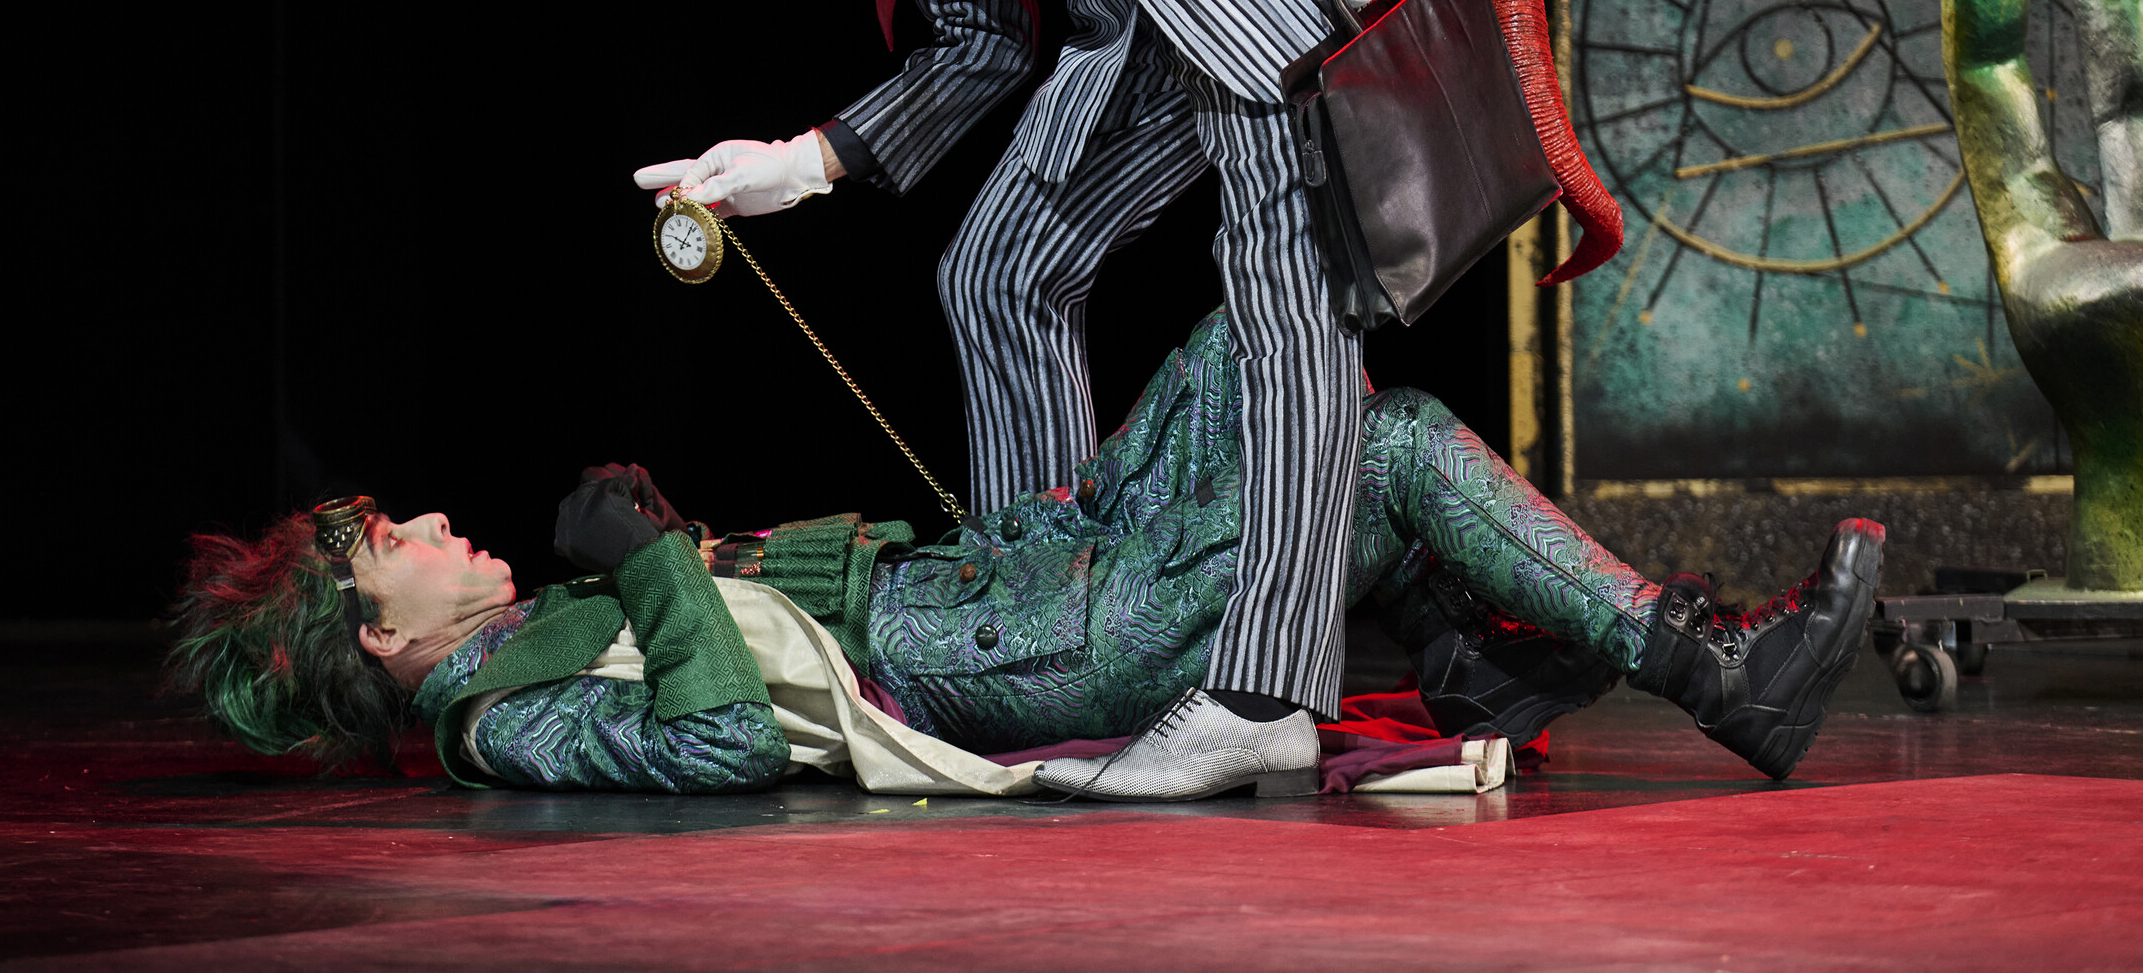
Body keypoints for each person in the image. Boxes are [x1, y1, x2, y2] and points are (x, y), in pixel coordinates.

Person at [491, 0, 1628, 795]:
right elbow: (980, 42)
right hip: (1146, 13)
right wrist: (801, 162)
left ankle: (1260, 694)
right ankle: (1038, 628)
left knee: (1285, 296)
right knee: (1000, 270)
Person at [168, 312, 1884, 799]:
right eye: (392, 543)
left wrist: (668, 552)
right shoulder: (498, 724)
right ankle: (1708, 666)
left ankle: (1469, 652)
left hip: (1009, 580)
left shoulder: (526, 646)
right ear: (375, 635)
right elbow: (716, 739)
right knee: (1386, 439)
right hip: (1020, 652)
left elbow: (730, 639)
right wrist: (661, 565)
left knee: (1259, 341)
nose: (432, 527)